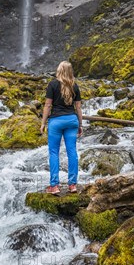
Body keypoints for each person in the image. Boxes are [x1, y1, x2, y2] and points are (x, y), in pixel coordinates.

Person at [40, 61, 83, 194]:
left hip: (56, 122)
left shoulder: (52, 84)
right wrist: (80, 124)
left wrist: (43, 123)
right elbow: (78, 107)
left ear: (59, 70)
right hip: (72, 120)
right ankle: (73, 185)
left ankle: (54, 186)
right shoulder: (74, 86)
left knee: (54, 152)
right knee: (72, 152)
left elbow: (47, 106)